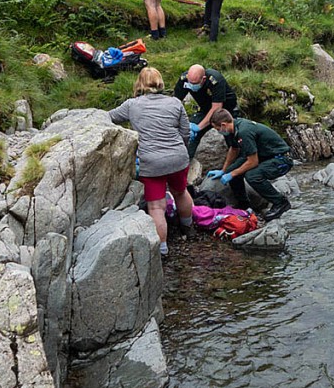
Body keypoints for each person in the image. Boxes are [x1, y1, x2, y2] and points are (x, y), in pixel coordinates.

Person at [108, 67, 194, 257]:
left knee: (156, 206)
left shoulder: (131, 105)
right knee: (181, 192)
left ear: (140, 83)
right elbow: (185, 133)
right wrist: (179, 151)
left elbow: (108, 118)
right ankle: (188, 228)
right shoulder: (175, 102)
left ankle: (162, 249)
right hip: (178, 157)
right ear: (160, 82)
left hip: (151, 161)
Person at [206, 109, 293, 221]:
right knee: (232, 172)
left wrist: (232, 174)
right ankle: (245, 206)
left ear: (223, 125)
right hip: (264, 156)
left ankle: (280, 202)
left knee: (252, 176)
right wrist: (224, 170)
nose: (218, 131)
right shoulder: (231, 130)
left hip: (281, 159)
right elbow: (234, 149)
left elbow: (253, 161)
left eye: (218, 129)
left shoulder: (244, 131)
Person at [173, 64, 238, 158]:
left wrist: (199, 127)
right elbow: (175, 102)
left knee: (232, 138)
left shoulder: (215, 79)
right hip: (205, 109)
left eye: (194, 83)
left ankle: (235, 166)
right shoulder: (184, 79)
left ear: (203, 79)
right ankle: (185, 161)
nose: (191, 85)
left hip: (225, 111)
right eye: (189, 82)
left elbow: (217, 108)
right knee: (189, 136)